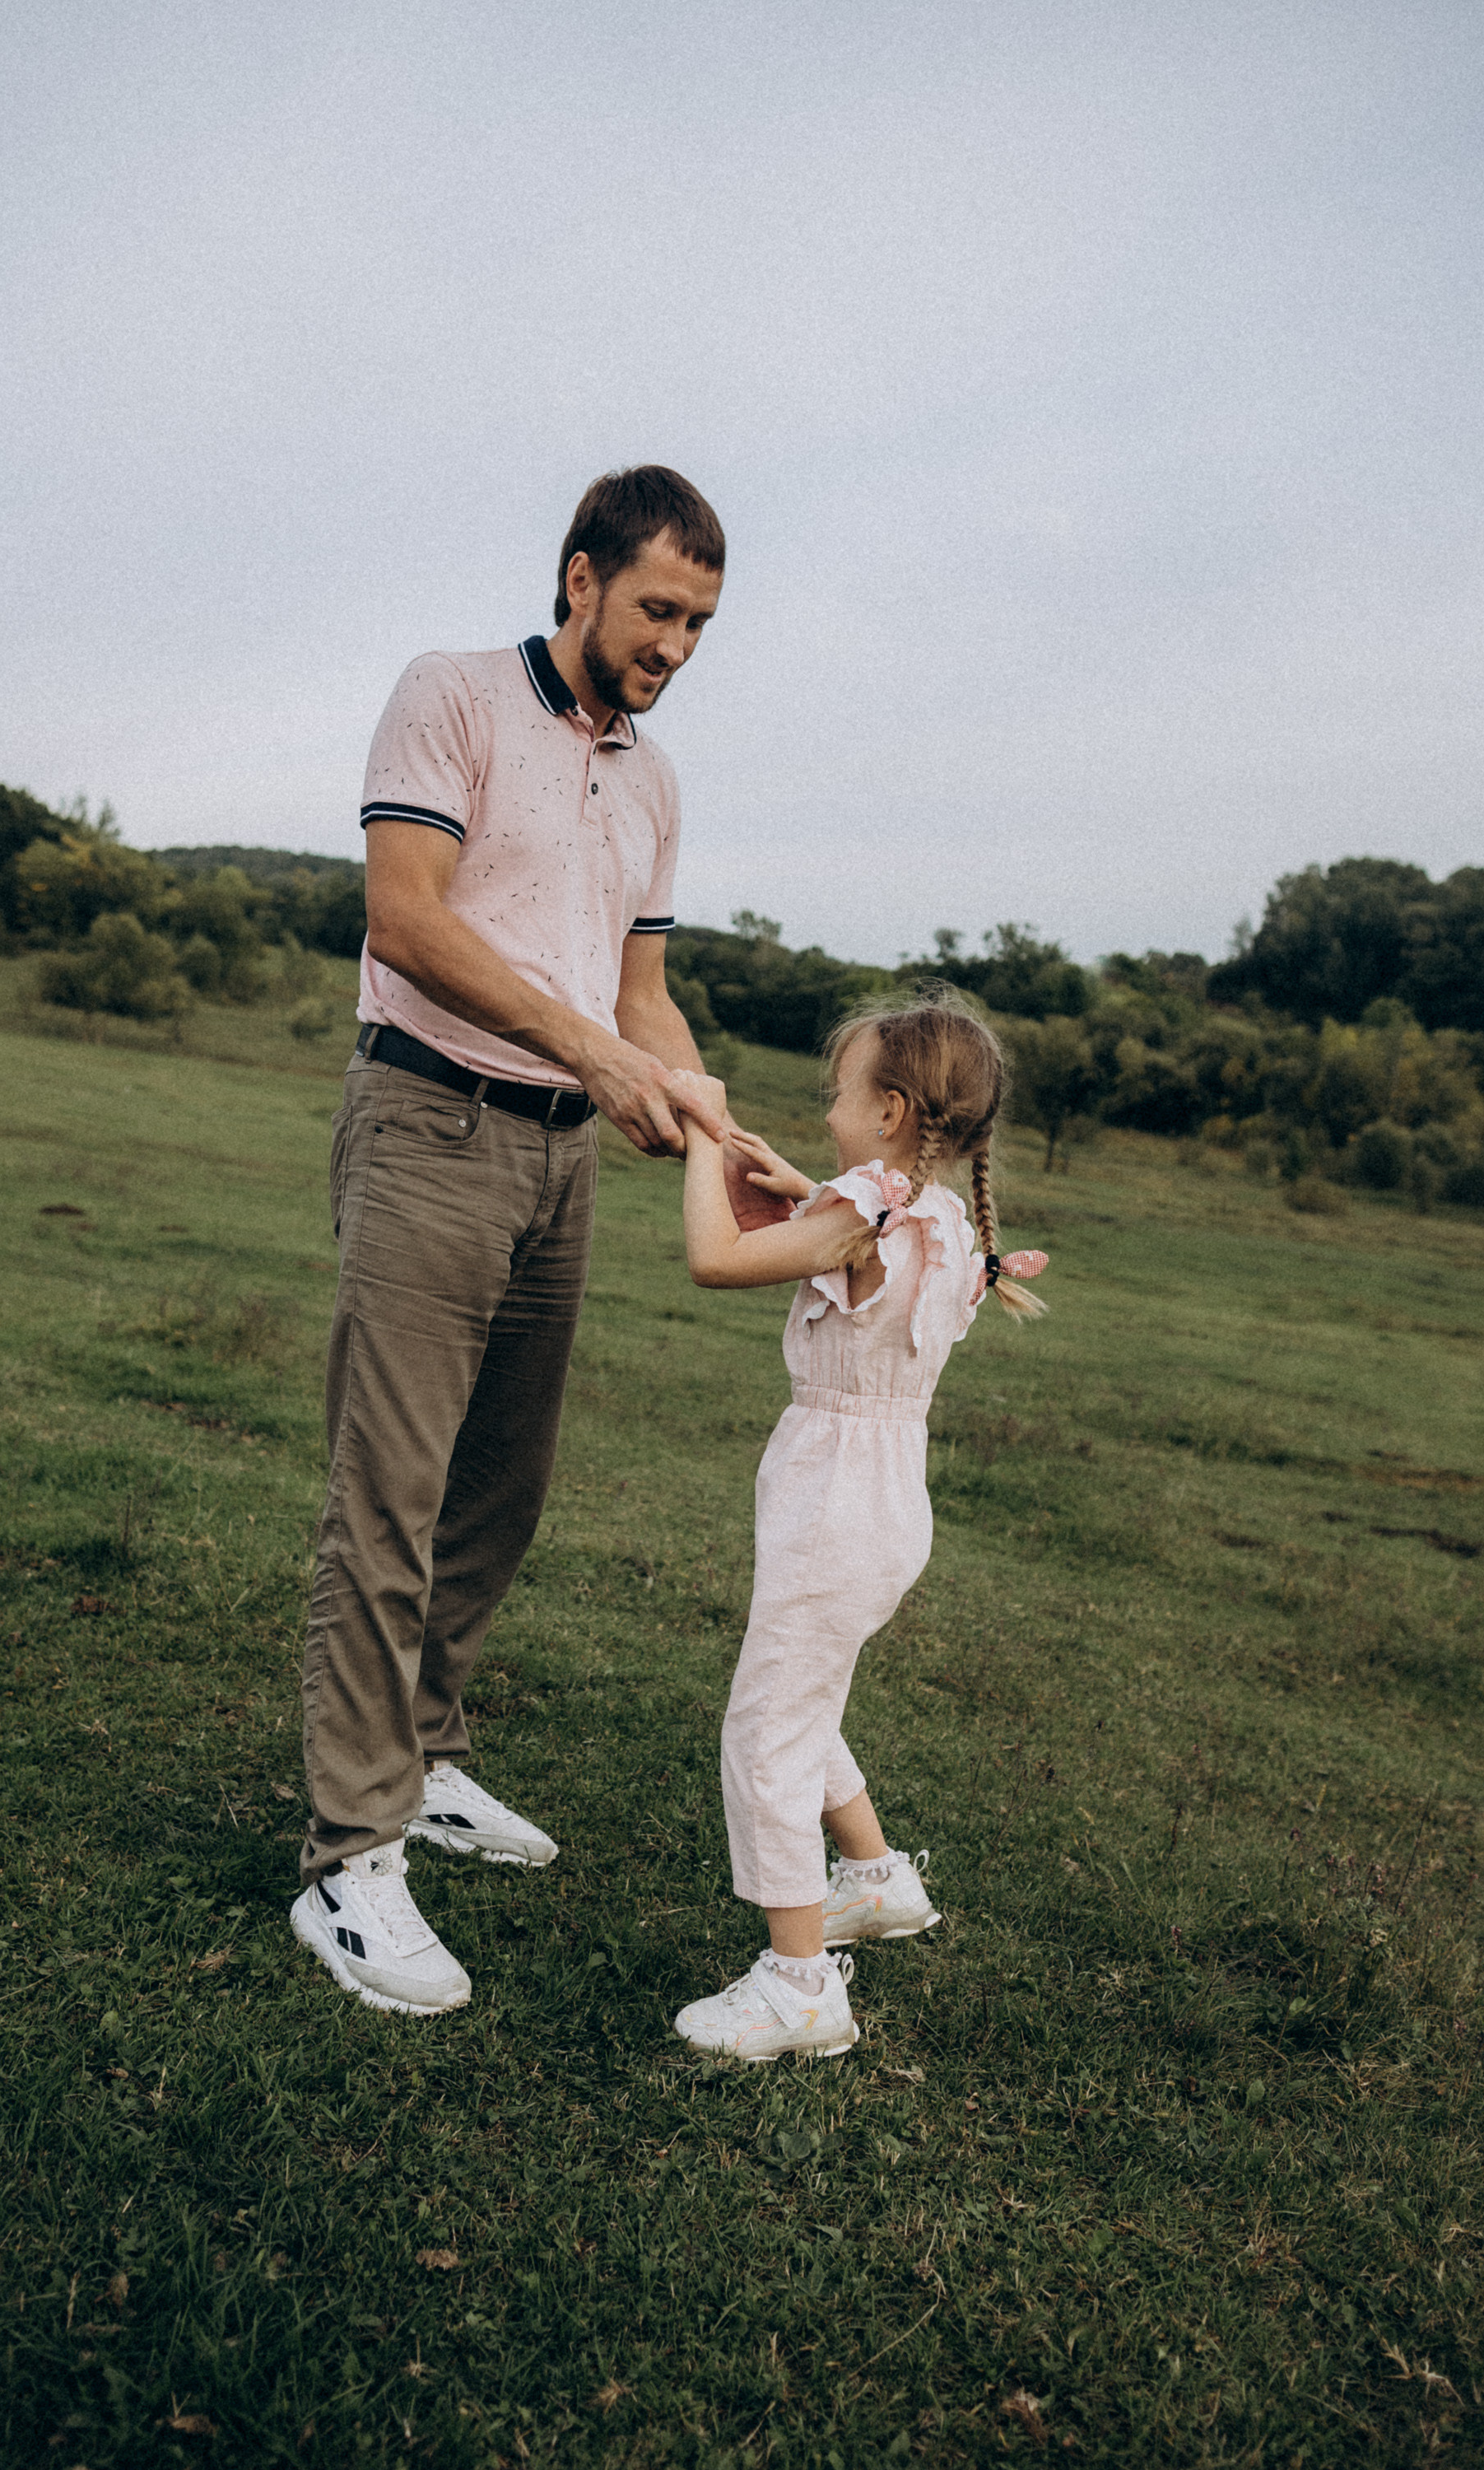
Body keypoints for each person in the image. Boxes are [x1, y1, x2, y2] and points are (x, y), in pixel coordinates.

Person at [291, 466, 728, 2016]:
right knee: (389, 1489)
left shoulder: (657, 782)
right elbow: (405, 918)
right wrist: (596, 1053)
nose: (676, 644)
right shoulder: (451, 696)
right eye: (659, 609)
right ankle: (351, 1856)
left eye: (701, 624)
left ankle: (425, 1758)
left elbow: (642, 987)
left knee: (503, 1483)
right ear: (580, 579)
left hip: (563, 1163)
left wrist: (682, 1082)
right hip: (428, 1125)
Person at [662, 991, 1049, 2060]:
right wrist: (804, 1193)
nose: (826, 1111)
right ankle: (876, 1880)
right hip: (887, 1500)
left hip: (831, 1500)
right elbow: (859, 1243)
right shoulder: (944, 1217)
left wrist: (702, 1136)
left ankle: (801, 1988)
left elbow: (714, 1256)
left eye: (837, 1095)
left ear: (888, 1111)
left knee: (766, 1729)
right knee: (805, 1690)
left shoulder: (867, 1211)